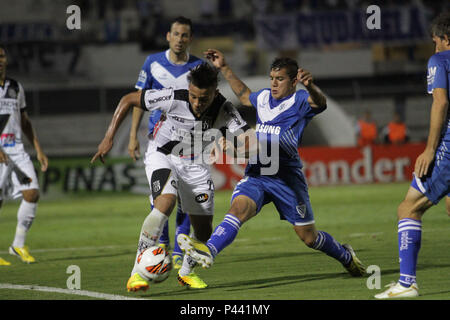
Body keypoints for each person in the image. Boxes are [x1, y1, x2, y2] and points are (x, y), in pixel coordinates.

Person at [177, 49, 367, 280]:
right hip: (258, 174)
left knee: (309, 238)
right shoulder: (265, 98)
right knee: (238, 209)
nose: (274, 84)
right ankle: (208, 252)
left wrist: (311, 87)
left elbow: (321, 103)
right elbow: (245, 94)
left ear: (294, 80)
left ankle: (346, 256)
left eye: (280, 79)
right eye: (272, 78)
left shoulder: (300, 101)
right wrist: (224, 67)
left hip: (287, 180)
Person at [91, 63, 252, 291]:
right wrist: (109, 138)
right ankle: (137, 273)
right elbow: (128, 99)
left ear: (215, 92)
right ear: (189, 89)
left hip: (195, 163)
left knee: (204, 231)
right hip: (162, 155)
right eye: (194, 96)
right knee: (166, 202)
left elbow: (249, 141)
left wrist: (235, 147)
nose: (197, 103)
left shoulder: (225, 109)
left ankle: (186, 273)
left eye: (203, 98)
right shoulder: (173, 97)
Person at [375, 12, 450, 299]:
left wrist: (430, 148)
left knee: (408, 208)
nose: (434, 48)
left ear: (446, 38)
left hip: (448, 147)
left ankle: (407, 284)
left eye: (436, 41)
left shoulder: (440, 61)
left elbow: (440, 102)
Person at [130, 16, 203, 270]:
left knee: (186, 197)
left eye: (185, 35)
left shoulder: (199, 67)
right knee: (162, 196)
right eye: (176, 34)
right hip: (157, 141)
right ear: (167, 36)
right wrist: (132, 138)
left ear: (190, 39)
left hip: (190, 143)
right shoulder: (152, 63)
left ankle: (179, 253)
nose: (180, 39)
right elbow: (137, 101)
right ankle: (161, 244)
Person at [0, 45, 48, 266]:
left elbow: (25, 121)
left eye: (1, 56)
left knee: (32, 193)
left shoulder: (16, 87)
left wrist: (38, 148)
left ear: (6, 59)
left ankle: (18, 244)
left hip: (17, 151)